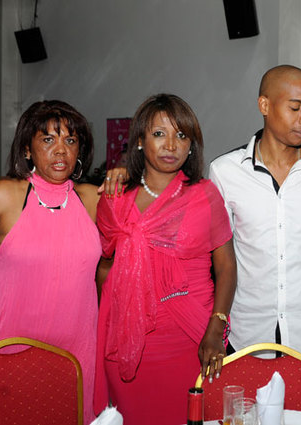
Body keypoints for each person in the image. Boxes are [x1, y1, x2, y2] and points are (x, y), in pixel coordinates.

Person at [0, 100, 101, 423]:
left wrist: (123, 175)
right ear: (27, 149)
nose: (61, 150)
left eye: (70, 140)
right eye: (48, 139)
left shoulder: (91, 199)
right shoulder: (3, 196)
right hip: (8, 350)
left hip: (76, 353)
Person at [94, 94, 236, 425]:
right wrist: (116, 320)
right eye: (159, 134)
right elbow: (104, 267)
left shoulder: (204, 195)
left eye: (181, 135)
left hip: (192, 339)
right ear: (139, 141)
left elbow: (227, 266)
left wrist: (217, 327)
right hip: (128, 344)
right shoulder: (115, 197)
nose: (171, 145)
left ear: (191, 146)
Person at [208, 65, 301, 368]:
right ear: (264, 105)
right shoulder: (225, 172)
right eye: (295, 108)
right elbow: (221, 253)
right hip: (248, 333)